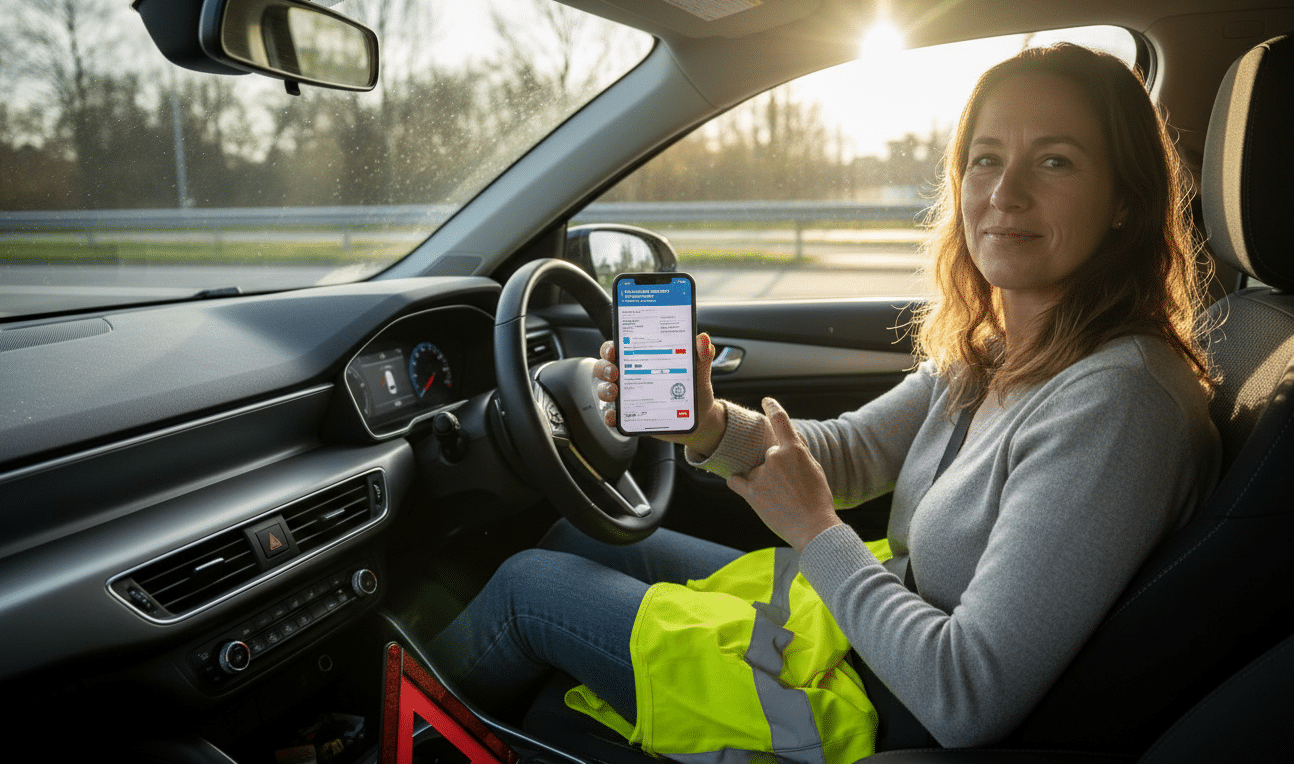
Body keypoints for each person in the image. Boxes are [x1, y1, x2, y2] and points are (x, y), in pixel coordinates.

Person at [425, 43, 1220, 758]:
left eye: (1055, 162)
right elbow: (847, 454)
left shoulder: (1120, 403)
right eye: (985, 159)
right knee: (582, 537)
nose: (1004, 192)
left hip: (871, 707)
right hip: (850, 636)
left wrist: (813, 530)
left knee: (531, 588)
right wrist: (704, 425)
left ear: (1125, 201)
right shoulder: (1005, 346)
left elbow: (966, 695)